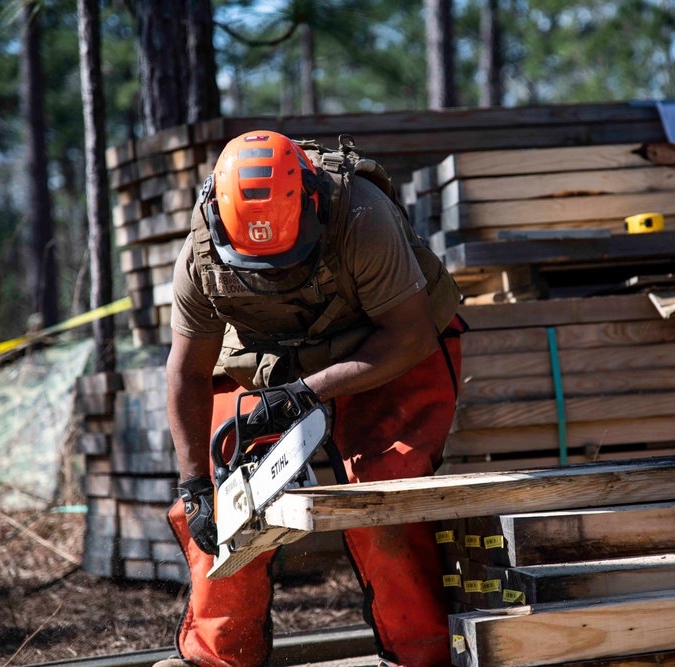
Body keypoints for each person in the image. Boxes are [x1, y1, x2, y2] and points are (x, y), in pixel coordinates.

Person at [157, 131, 465, 667]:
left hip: (381, 344)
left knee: (385, 491)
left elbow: (409, 335)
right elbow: (186, 372)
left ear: (314, 205)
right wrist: (193, 485)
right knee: (217, 507)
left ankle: (425, 654)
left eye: (288, 261)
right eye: (261, 267)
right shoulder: (201, 253)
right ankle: (217, 657)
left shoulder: (362, 216)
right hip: (265, 356)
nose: (277, 276)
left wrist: (307, 392)